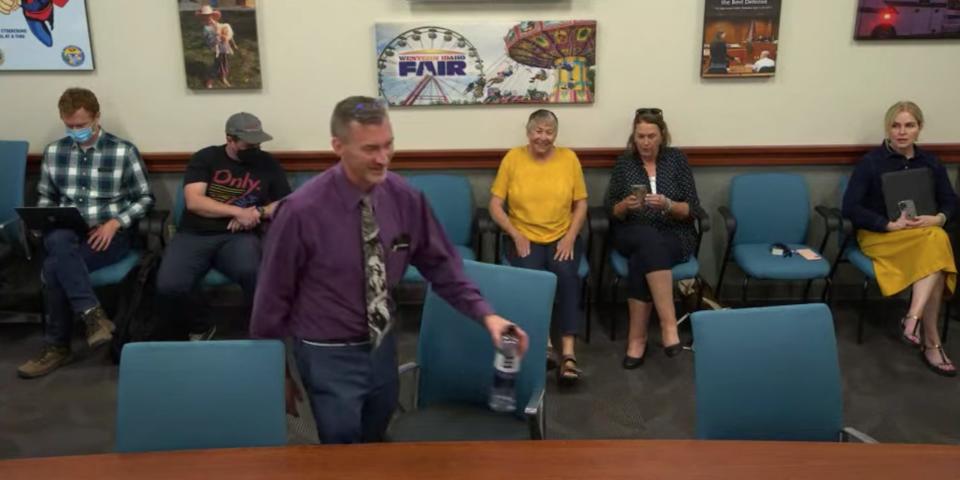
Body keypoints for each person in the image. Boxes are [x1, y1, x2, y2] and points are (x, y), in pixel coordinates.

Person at [250, 96, 528, 443]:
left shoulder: (405, 197)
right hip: (328, 352)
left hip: (382, 346)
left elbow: (442, 265)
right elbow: (271, 296)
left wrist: (488, 317)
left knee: (378, 438)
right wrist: (276, 373)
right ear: (338, 146)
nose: (383, 159)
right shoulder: (300, 212)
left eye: (388, 145)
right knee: (342, 447)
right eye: (370, 149)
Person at [17, 88, 154, 379]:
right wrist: (46, 217)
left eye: (82, 125)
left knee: (54, 267)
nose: (76, 131)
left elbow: (144, 198)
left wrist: (115, 222)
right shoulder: (55, 152)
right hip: (67, 230)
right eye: (70, 126)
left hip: (108, 233)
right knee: (57, 239)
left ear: (96, 118)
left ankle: (58, 346)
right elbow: (45, 196)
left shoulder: (122, 151)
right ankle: (93, 315)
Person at [842, 100, 957, 377]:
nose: (902, 132)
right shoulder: (872, 163)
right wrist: (887, 224)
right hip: (881, 236)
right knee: (938, 253)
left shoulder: (930, 162)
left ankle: (914, 322)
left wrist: (938, 217)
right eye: (895, 125)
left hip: (921, 234)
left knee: (936, 237)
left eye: (909, 125)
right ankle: (929, 340)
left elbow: (951, 201)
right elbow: (851, 207)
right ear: (888, 128)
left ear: (919, 129)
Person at [156, 112, 291, 341]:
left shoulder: (268, 163)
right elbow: (195, 201)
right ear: (230, 139)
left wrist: (257, 212)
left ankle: (261, 330)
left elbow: (286, 204)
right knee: (169, 285)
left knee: (256, 274)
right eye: (249, 144)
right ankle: (202, 325)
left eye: (258, 143)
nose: (255, 148)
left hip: (239, 237)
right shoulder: (206, 158)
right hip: (194, 234)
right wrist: (239, 212)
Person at [489, 109, 588, 384]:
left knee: (567, 276)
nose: (543, 137)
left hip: (561, 236)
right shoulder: (513, 158)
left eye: (549, 132)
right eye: (538, 131)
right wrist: (514, 233)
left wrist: (569, 237)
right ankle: (544, 345)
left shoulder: (568, 158)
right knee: (534, 280)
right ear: (528, 132)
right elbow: (495, 205)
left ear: (555, 134)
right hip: (524, 236)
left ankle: (568, 353)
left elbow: (581, 204)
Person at [604, 108, 701, 369]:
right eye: (640, 136)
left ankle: (637, 340)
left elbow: (693, 209)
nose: (645, 142)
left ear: (661, 136)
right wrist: (625, 205)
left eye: (651, 136)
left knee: (644, 256)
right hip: (631, 231)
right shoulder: (625, 163)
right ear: (633, 137)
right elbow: (609, 210)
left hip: (674, 233)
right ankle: (669, 326)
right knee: (646, 238)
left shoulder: (676, 160)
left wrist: (669, 205)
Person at [196, 5, 235, 88]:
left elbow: (223, 30)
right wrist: (217, 36)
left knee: (224, 62)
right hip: (216, 48)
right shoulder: (206, 28)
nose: (208, 18)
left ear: (212, 15)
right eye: (205, 16)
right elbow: (209, 40)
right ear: (203, 18)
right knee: (217, 64)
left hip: (224, 46)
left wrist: (223, 33)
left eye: (209, 15)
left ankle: (223, 76)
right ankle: (209, 80)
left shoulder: (215, 23)